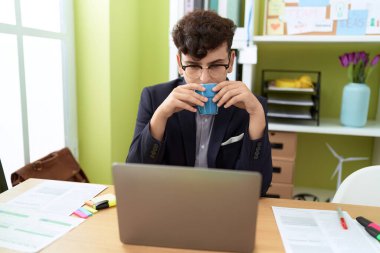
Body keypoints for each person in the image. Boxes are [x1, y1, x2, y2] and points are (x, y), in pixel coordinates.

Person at [127, 10, 272, 195]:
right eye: (194, 66)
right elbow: (134, 177)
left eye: (216, 65)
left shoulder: (250, 107)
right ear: (180, 63)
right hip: (170, 201)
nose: (204, 78)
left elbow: (258, 189)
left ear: (231, 61)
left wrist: (257, 116)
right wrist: (161, 116)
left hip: (223, 203)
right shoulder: (155, 98)